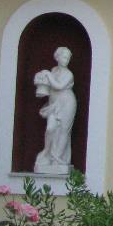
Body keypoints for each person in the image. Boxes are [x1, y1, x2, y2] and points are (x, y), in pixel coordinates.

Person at [33, 46, 77, 174]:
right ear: (57, 57)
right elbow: (49, 85)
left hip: (67, 103)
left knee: (63, 130)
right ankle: (47, 153)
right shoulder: (54, 70)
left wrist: (47, 74)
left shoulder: (69, 74)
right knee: (50, 128)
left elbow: (59, 86)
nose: (66, 60)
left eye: (68, 58)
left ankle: (57, 158)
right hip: (54, 103)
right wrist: (42, 77)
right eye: (64, 57)